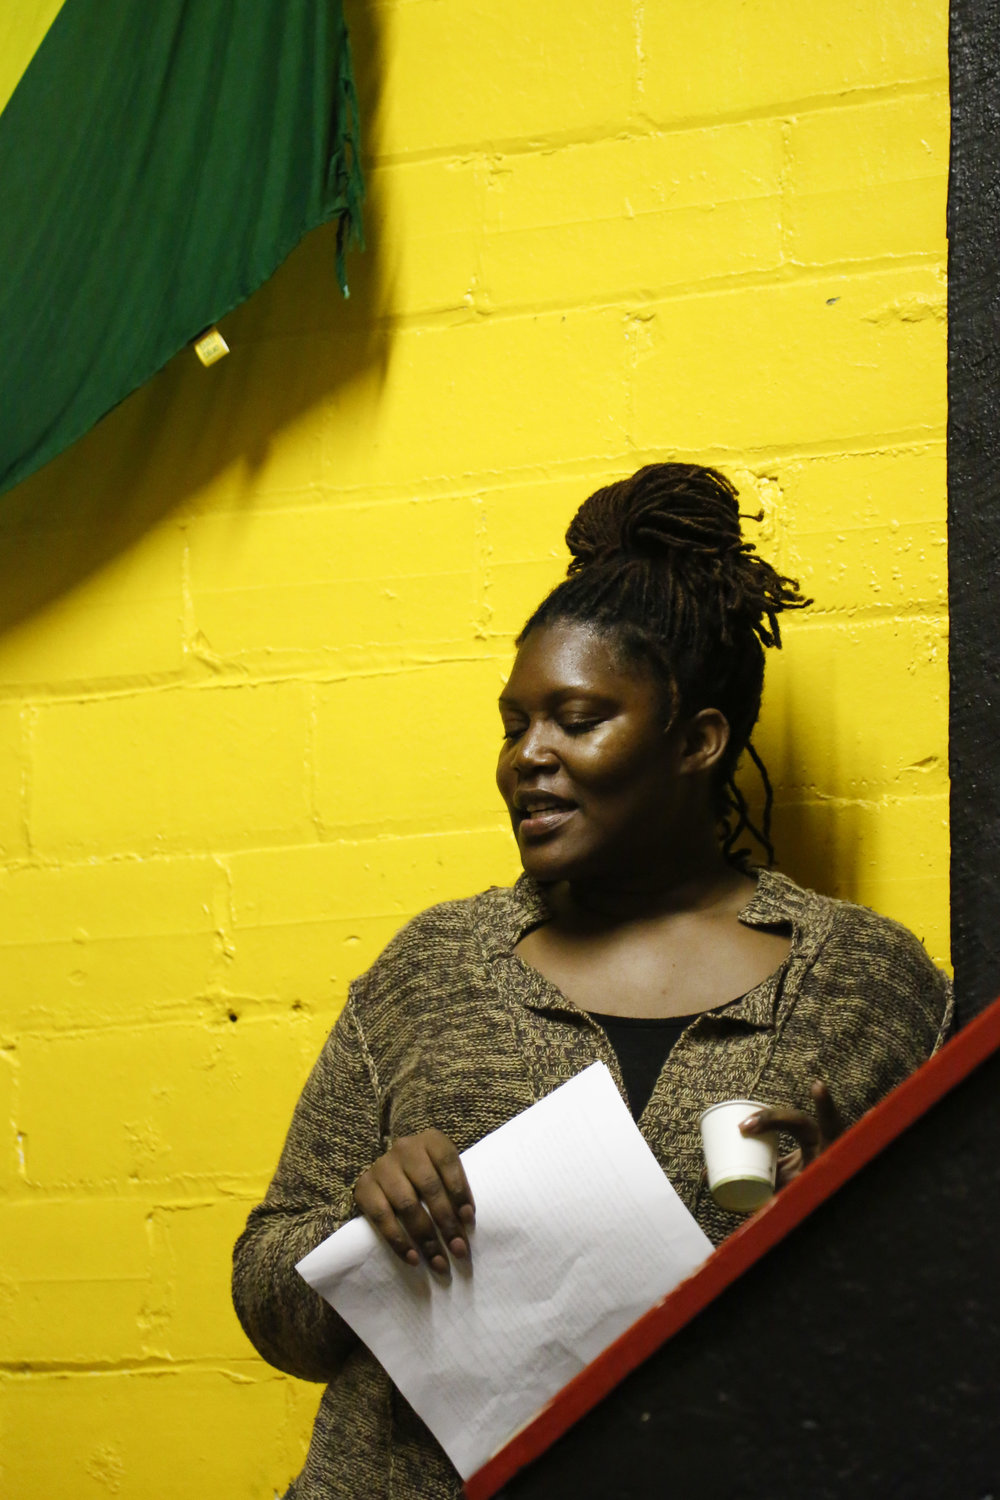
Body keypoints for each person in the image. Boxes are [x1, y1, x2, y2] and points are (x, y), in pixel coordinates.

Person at [232, 463, 952, 1500]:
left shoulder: (864, 985)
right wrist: (364, 1225)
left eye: (575, 719)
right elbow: (271, 1302)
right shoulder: (430, 970)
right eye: (514, 723)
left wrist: (857, 1248)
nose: (528, 756)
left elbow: (938, 1339)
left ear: (696, 742)